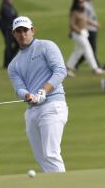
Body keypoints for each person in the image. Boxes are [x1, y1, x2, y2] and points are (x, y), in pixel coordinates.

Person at [8, 16, 68, 173]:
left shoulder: (46, 46)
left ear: (32, 30)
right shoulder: (13, 64)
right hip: (32, 110)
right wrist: (27, 95)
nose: (22, 34)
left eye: (25, 30)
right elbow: (19, 88)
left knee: (50, 154)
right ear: (13, 34)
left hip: (53, 105)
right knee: (41, 156)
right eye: (18, 31)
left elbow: (60, 71)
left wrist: (43, 91)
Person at [66, 0, 105, 77]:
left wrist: (94, 24)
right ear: (76, 3)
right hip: (78, 34)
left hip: (84, 33)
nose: (82, 3)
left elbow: (86, 20)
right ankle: (95, 69)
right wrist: (78, 31)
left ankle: (67, 68)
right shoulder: (74, 12)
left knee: (78, 52)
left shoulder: (82, 10)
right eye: (80, 2)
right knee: (88, 50)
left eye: (83, 1)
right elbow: (72, 24)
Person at [75, 0, 101, 69]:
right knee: (91, 48)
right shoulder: (84, 4)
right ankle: (97, 67)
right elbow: (84, 18)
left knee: (84, 49)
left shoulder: (89, 2)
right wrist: (94, 24)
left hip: (92, 28)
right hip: (88, 29)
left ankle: (74, 64)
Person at [0, 0, 19, 69]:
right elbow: (9, 17)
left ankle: (10, 60)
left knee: (16, 44)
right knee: (8, 46)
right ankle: (7, 64)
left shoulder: (10, 6)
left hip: (12, 28)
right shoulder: (4, 7)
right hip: (7, 29)